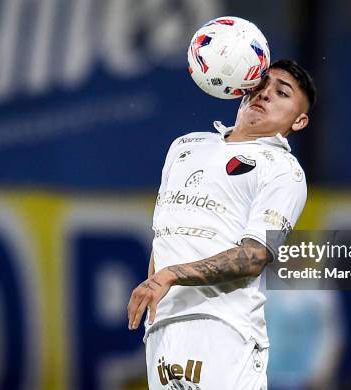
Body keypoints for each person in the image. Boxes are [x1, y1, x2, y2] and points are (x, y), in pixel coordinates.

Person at [127, 59, 316, 389]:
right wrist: (156, 289)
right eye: (260, 83)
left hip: (224, 327)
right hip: (163, 330)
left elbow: (254, 256)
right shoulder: (185, 147)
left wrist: (171, 275)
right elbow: (165, 234)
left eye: (282, 93)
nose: (264, 94)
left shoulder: (284, 171)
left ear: (299, 121)